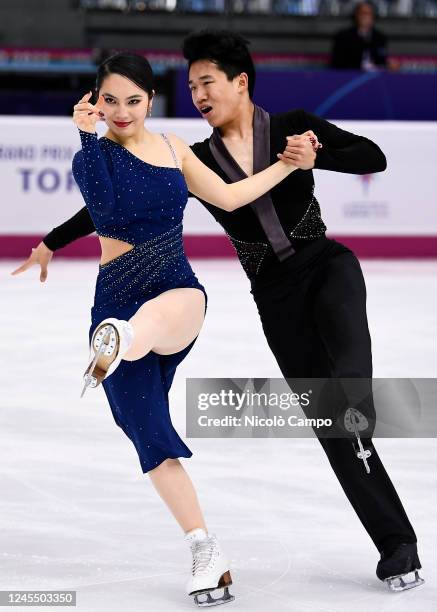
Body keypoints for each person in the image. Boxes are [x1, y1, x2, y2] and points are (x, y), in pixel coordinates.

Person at [13, 31, 423, 592]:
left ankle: (358, 405)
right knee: (330, 422)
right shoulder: (194, 156)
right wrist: (53, 239)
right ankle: (398, 545)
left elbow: (373, 156)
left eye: (207, 83)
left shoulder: (292, 125)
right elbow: (112, 206)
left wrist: (316, 154)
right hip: (273, 292)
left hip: (325, 263)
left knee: (349, 381)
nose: (199, 95)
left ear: (240, 81)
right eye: (191, 87)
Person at [12, 51, 300, 607]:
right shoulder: (92, 158)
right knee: (150, 438)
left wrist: (289, 165)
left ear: (150, 100)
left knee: (151, 321)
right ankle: (205, 550)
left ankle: (119, 342)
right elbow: (103, 207)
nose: (122, 112)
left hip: (176, 291)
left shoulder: (175, 149)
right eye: (109, 101)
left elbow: (233, 195)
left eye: (133, 100)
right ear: (94, 102)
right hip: (114, 293)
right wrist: (84, 140)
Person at [331, 1, 388, 70]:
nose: (365, 17)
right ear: (356, 15)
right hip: (349, 76)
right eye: (362, 13)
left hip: (373, 77)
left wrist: (388, 65)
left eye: (368, 14)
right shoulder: (343, 37)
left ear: (373, 16)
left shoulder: (380, 38)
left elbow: (382, 61)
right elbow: (338, 63)